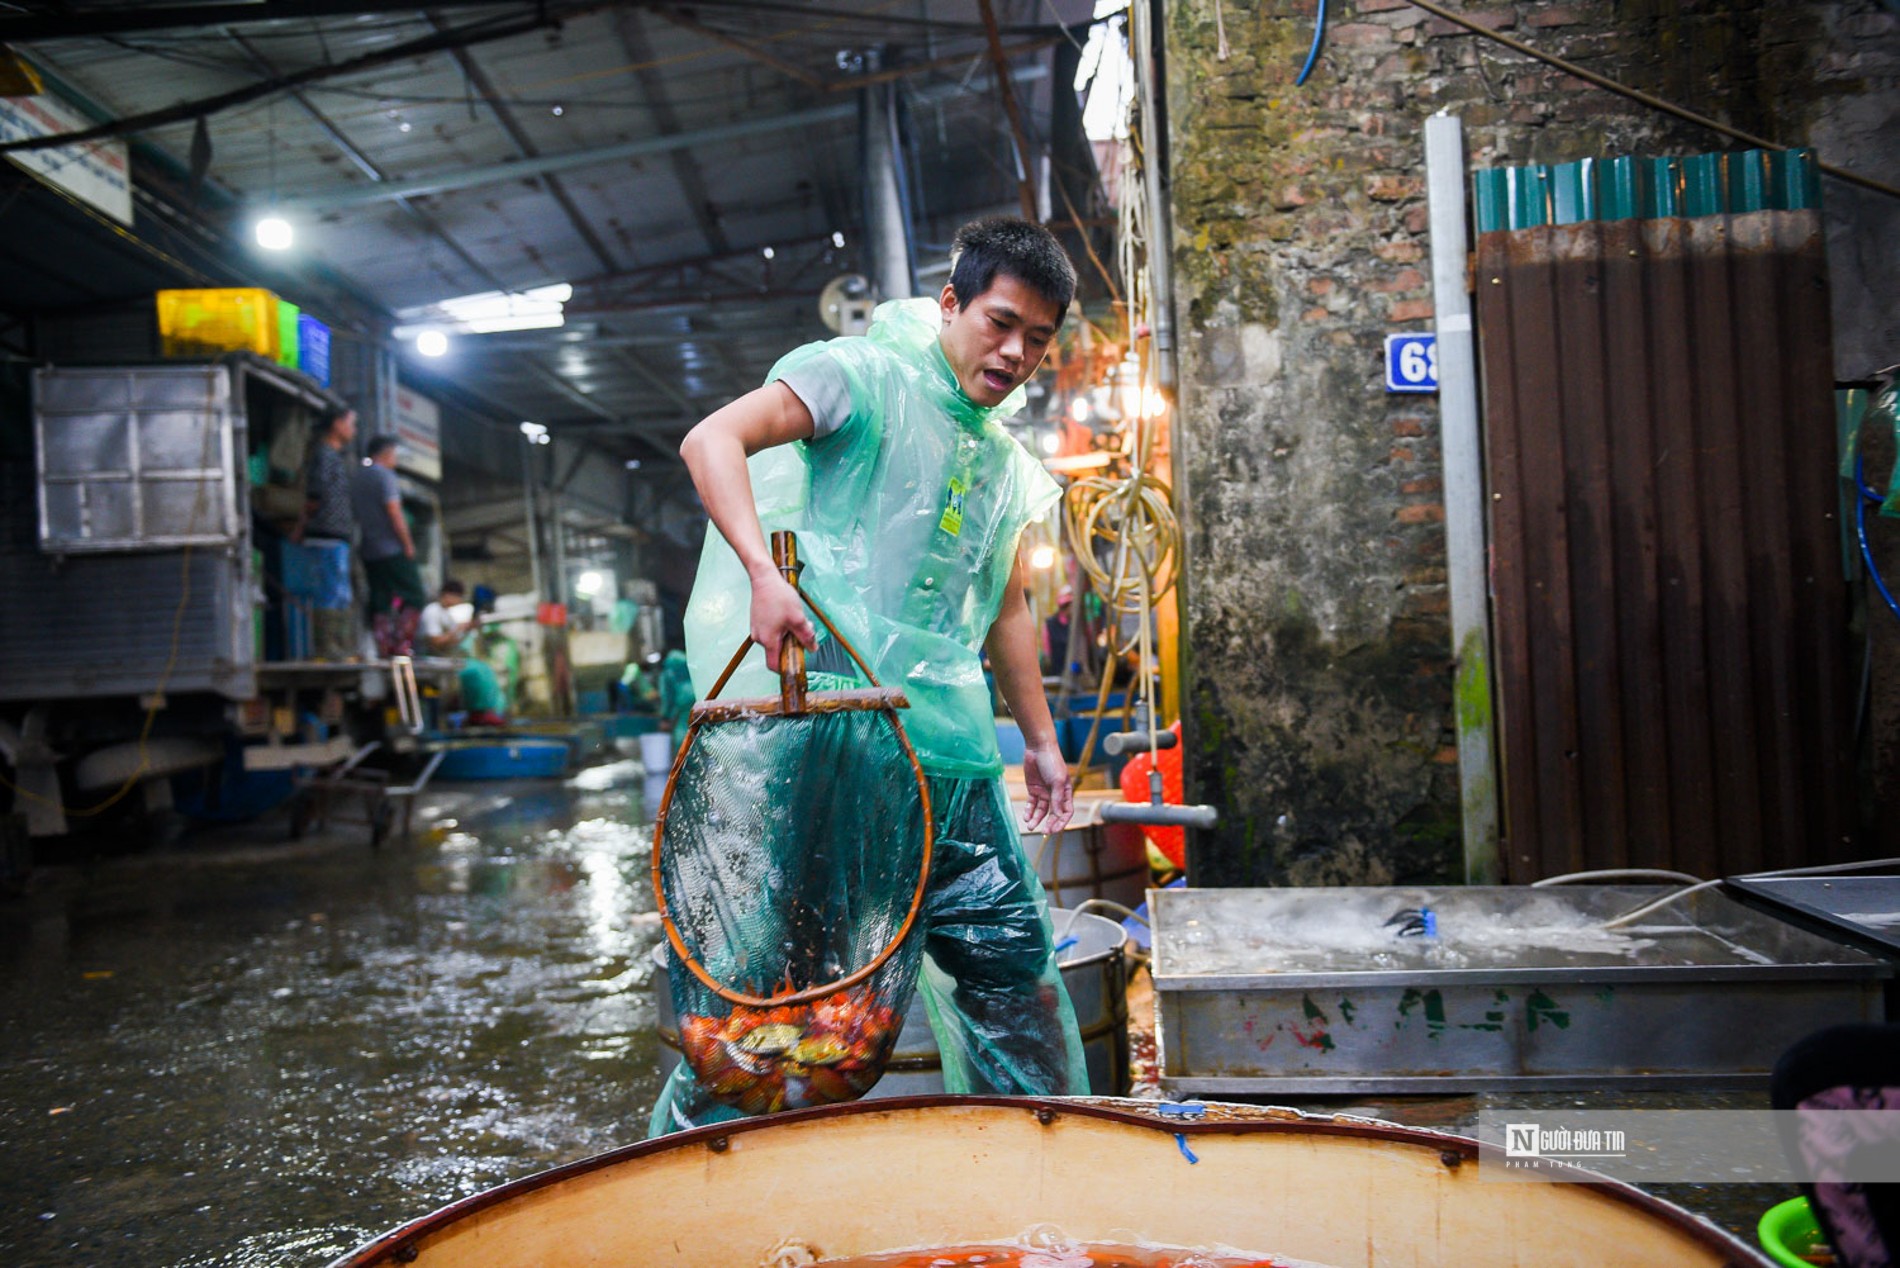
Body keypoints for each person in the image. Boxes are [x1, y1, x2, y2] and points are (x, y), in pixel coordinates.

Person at [651, 216, 1086, 1135]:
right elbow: (710, 441)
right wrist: (766, 578)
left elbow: (1004, 611)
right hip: (841, 751)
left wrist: (1043, 745)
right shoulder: (861, 378)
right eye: (1000, 323)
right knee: (771, 996)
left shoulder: (1005, 461)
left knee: (1012, 970)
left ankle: (1050, 1172)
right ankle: (687, 1173)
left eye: (1037, 340)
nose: (1015, 353)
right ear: (950, 304)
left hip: (957, 761)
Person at [300, 405, 357, 660]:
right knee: (329, 593)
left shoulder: (337, 456)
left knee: (341, 594)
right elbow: (314, 496)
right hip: (324, 534)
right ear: (337, 424)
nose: (353, 430)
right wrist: (302, 526)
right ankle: (327, 648)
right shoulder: (323, 455)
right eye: (351, 423)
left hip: (338, 536)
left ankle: (341, 647)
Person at [351, 434, 428, 624]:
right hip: (392, 548)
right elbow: (394, 512)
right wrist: (408, 545)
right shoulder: (385, 476)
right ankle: (402, 643)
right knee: (415, 595)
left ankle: (381, 645)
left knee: (379, 599)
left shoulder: (357, 478)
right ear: (387, 453)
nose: (395, 459)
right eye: (394, 453)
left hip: (368, 550)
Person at [421, 579, 507, 726]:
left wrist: (468, 628)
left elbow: (453, 641)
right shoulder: (432, 611)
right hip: (432, 660)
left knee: (484, 668)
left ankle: (483, 711)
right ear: (448, 595)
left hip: (447, 659)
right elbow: (435, 642)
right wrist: (458, 629)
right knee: (476, 672)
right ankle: (477, 712)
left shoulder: (445, 613)